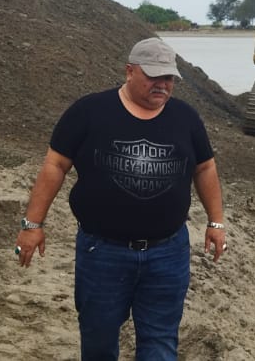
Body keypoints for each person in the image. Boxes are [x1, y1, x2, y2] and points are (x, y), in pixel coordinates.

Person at [14, 37, 226, 360]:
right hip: (103, 252)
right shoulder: (89, 112)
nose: (162, 85)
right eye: (154, 76)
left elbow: (206, 167)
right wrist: (33, 224)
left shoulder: (186, 118)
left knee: (160, 342)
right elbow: (55, 165)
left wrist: (216, 221)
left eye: (168, 78)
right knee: (98, 340)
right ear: (129, 71)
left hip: (167, 253)